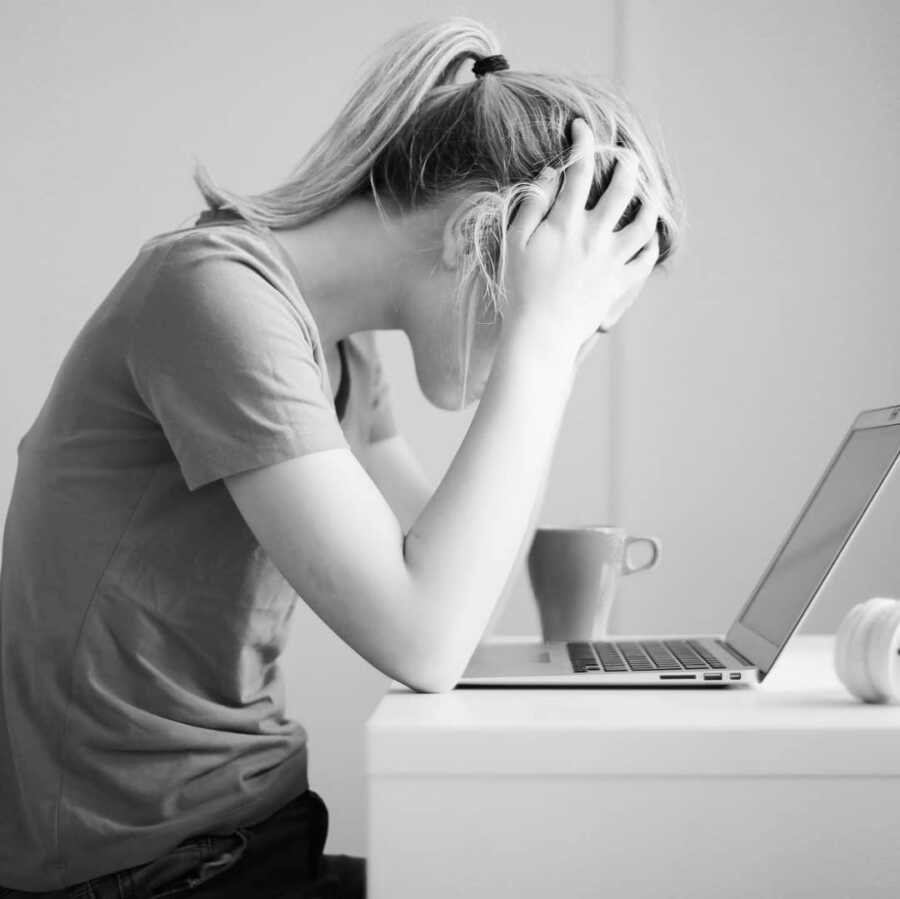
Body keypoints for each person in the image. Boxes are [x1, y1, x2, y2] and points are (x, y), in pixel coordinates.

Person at [0, 14, 683, 899]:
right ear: (476, 237)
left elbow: (457, 589)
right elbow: (424, 638)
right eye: (574, 308)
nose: (569, 343)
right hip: (143, 871)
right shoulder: (213, 296)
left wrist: (547, 340)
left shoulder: (337, 355)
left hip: (243, 835)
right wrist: (542, 344)